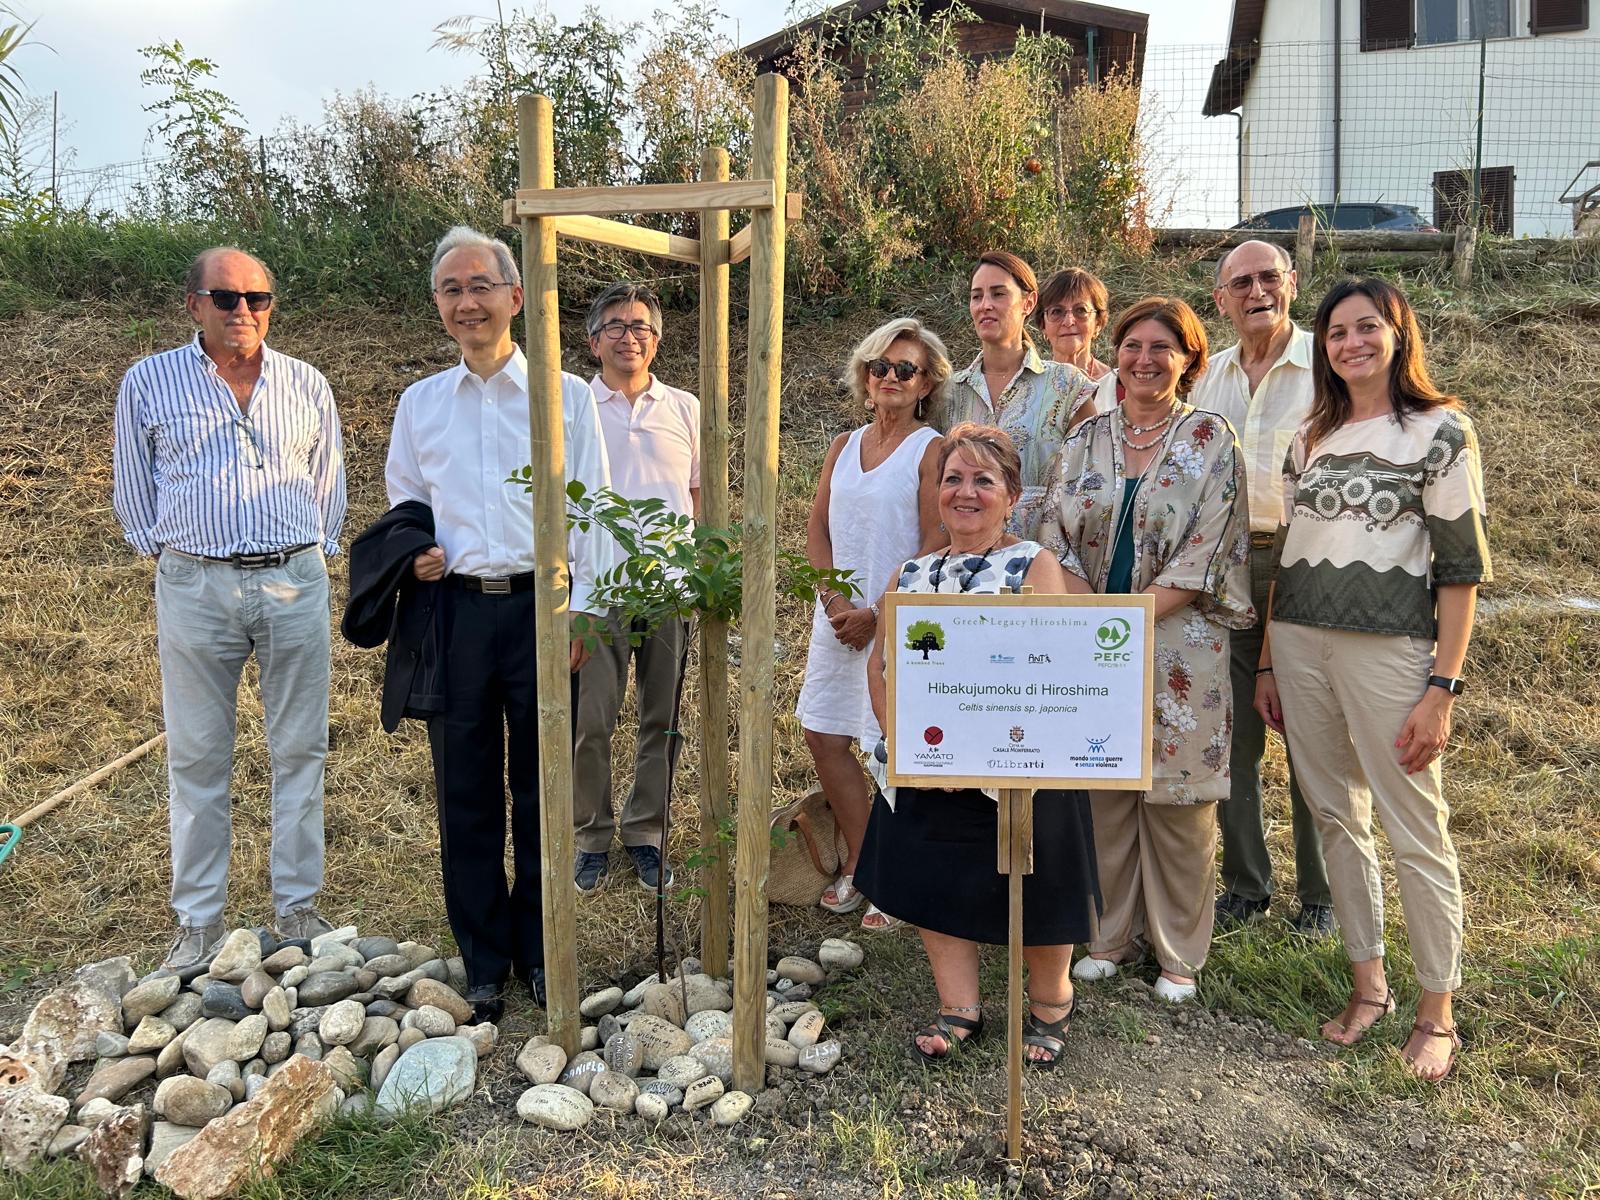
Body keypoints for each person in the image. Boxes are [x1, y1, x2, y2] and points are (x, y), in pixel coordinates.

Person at [1255, 278, 1491, 1081]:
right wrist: (1265, 660)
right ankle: (1369, 986)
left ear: (1398, 335)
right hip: (1298, 644)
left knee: (1413, 824)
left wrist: (1442, 688)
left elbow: (1459, 573)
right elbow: (1289, 555)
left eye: (1367, 328)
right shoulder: (1308, 435)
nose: (1350, 343)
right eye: (1335, 332)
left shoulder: (1440, 432)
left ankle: (1438, 1009)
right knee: (1333, 814)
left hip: (1390, 650)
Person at [384, 225, 614, 1022]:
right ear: (438, 306)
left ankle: (543, 950)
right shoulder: (420, 405)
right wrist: (411, 553)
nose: (466, 302)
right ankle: (483, 961)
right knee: (466, 790)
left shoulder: (567, 397)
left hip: (543, 610)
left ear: (516, 297)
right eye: (451, 289)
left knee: (544, 789)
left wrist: (588, 608)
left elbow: (597, 509)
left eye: (480, 285)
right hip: (456, 620)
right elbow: (404, 504)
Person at [113, 246, 346, 969]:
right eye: (226, 297)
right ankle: (198, 923)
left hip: (292, 581)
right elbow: (133, 486)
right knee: (198, 756)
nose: (243, 310)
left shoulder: (307, 384)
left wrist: (316, 549)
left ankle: (299, 908)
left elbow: (329, 479)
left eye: (258, 298)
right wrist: (173, 556)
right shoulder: (148, 383)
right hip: (196, 584)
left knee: (301, 750)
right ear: (193, 304)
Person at [855, 424, 1100, 1065]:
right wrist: (907, 745)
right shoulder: (912, 572)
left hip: (1018, 763)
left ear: (1011, 496)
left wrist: (989, 751)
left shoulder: (1034, 564)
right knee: (937, 872)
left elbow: (1052, 666)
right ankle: (959, 1006)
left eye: (983, 480)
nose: (965, 492)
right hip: (930, 761)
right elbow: (881, 668)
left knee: (1039, 875)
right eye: (953, 479)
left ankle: (1050, 1001)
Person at [1040, 296, 1253, 1003]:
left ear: (1189, 359)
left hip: (1178, 643)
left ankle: (1178, 952)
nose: (1143, 359)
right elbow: (1054, 535)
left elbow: (1208, 548)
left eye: (1163, 347)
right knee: (1102, 791)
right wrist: (1087, 614)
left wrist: (1125, 620)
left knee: (1177, 803)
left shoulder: (1211, 439)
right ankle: (1107, 934)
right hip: (1091, 638)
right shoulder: (1085, 438)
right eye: (1133, 345)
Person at [1189, 240, 1333, 936]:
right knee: (1232, 734)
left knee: (1309, 735)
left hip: (1304, 565)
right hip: (1226, 568)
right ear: (1220, 300)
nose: (1256, 292)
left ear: (1293, 282)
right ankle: (1246, 886)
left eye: (1269, 277)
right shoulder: (1207, 381)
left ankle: (1322, 896)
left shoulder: (1328, 367)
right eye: (1240, 283)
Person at [796, 318, 948, 932]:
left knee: (892, 750)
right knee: (824, 734)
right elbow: (818, 529)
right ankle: (863, 860)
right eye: (878, 367)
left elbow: (936, 539)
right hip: (836, 618)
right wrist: (835, 604)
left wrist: (878, 613)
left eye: (903, 369)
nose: (888, 377)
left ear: (925, 383)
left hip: (899, 618)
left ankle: (898, 880)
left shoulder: (931, 448)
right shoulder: (842, 445)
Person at [572, 282, 700, 895]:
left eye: (642, 327)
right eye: (617, 326)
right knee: (591, 722)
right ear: (593, 340)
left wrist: (701, 570)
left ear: (657, 339)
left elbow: (699, 497)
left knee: (663, 720)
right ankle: (590, 836)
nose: (630, 337)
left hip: (668, 590)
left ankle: (645, 832)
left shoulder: (685, 408)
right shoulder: (574, 408)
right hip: (596, 593)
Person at [930, 252, 1097, 541]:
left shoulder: (1066, 386)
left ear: (1029, 303)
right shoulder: (948, 392)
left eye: (998, 294)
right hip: (965, 562)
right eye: (976, 296)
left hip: (1045, 560)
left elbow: (1094, 478)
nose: (985, 306)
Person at [1037, 267, 1111, 381]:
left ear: (1098, 322)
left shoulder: (1116, 386)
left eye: (1081, 310)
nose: (1068, 322)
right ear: (1043, 325)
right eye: (1056, 311)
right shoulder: (1030, 386)